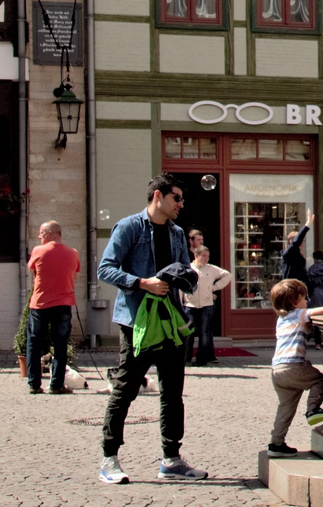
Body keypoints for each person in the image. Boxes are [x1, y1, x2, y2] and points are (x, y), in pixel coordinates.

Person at [95, 173, 206, 485]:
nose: (181, 204)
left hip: (170, 321)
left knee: (172, 393)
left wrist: (187, 277)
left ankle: (171, 460)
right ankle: (109, 458)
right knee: (126, 389)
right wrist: (142, 282)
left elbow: (185, 269)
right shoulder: (129, 227)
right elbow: (106, 268)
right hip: (136, 322)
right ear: (158, 196)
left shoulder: (176, 233)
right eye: (177, 198)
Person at [265, 279, 323, 456]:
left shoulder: (281, 319)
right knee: (318, 380)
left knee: (285, 408)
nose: (307, 301)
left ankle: (276, 444)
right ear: (294, 302)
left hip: (277, 369)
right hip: (293, 365)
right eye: (304, 298)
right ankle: (313, 410)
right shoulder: (299, 314)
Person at [26, 220, 81, 395]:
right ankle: (56, 384)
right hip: (63, 303)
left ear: (49, 234)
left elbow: (32, 271)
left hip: (40, 303)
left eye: (41, 233)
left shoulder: (38, 251)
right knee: (60, 344)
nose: (39, 236)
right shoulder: (73, 253)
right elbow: (76, 277)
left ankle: (34, 384)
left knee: (34, 343)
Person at [182, 245, 230, 366]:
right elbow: (180, 284)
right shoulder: (188, 268)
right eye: (203, 256)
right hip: (190, 305)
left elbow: (228, 275)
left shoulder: (211, 269)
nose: (206, 258)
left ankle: (201, 359)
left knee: (204, 332)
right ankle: (186, 358)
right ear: (196, 255)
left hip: (206, 305)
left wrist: (214, 288)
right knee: (188, 332)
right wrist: (182, 299)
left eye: (207, 256)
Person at [280, 210, 313, 286]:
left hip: (299, 288)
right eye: (301, 241)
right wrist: (307, 225)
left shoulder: (298, 255)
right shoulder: (288, 254)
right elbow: (295, 242)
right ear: (290, 241)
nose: (302, 243)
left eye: (303, 241)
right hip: (290, 289)